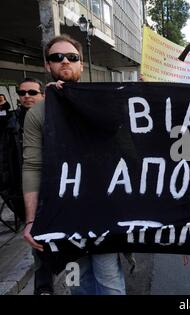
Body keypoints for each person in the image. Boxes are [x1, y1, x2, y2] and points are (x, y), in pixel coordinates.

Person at [22, 34, 126, 295]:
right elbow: (32, 166)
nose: (64, 61)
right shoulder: (37, 113)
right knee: (77, 284)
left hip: (104, 213)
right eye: (57, 58)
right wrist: (31, 220)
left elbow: (130, 147)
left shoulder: (104, 103)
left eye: (72, 57)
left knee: (109, 283)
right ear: (48, 66)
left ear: (81, 65)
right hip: (63, 217)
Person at [13, 78, 55, 295]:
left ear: (43, 95)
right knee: (38, 246)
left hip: (50, 191)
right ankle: (44, 288)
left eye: (32, 92)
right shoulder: (11, 122)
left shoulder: (51, 116)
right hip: (23, 191)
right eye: (22, 93)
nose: (26, 96)